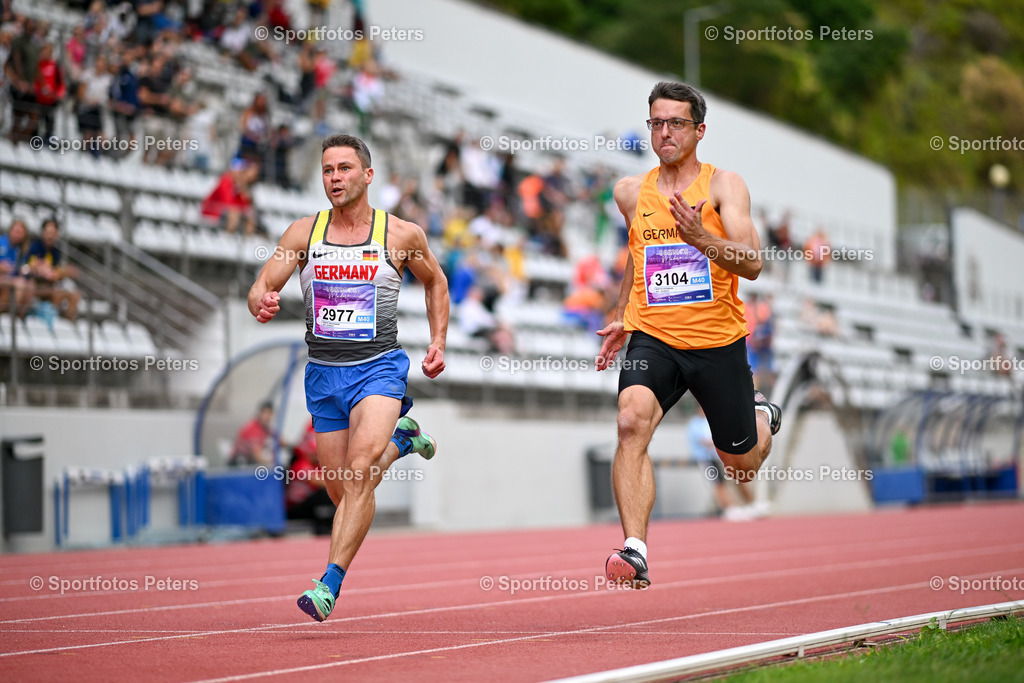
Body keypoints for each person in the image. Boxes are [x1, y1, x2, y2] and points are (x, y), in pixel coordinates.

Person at [248, 133, 449, 622]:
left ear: (367, 175)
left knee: (358, 473)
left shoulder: (399, 235)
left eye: (343, 168)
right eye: (327, 171)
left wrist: (437, 340)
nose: (334, 178)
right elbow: (262, 284)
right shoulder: (303, 234)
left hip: (378, 369)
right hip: (323, 376)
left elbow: (436, 283)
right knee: (342, 491)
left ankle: (328, 583)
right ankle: (403, 440)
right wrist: (260, 300)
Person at [595, 81, 782, 588]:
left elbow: (754, 264)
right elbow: (637, 260)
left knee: (741, 466)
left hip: (718, 341)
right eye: (656, 122)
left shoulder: (725, 187)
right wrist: (622, 316)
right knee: (631, 421)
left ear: (699, 130)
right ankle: (635, 551)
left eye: (676, 123)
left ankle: (762, 415)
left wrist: (702, 237)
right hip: (655, 336)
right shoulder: (631, 192)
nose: (664, 132)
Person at [686, 404, 756, 519]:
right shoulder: (695, 423)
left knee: (738, 479)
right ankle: (730, 509)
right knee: (718, 484)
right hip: (707, 459)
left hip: (721, 457)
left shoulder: (713, 420)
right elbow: (704, 441)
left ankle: (750, 504)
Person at [28, 218, 80, 321]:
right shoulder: (34, 248)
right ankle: (53, 324)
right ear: (42, 233)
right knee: (57, 293)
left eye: (53, 233)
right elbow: (35, 271)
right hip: (33, 287)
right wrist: (62, 273)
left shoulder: (55, 252)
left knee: (75, 295)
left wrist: (62, 273)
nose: (50, 236)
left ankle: (69, 324)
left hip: (49, 286)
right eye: (48, 232)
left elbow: (54, 274)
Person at [0, 219, 35, 318]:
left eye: (20, 233)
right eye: (16, 231)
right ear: (10, 230)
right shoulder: (1, 242)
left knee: (30, 285)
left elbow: (18, 269)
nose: (17, 235)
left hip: (10, 279)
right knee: (19, 284)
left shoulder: (21, 249)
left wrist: (26, 270)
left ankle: (20, 317)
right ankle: (12, 318)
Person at [229, 401, 276, 466]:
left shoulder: (265, 428)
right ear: (259, 413)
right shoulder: (253, 429)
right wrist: (275, 460)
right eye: (265, 412)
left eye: (270, 413)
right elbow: (259, 458)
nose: (267, 416)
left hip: (250, 464)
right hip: (238, 467)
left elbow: (280, 440)